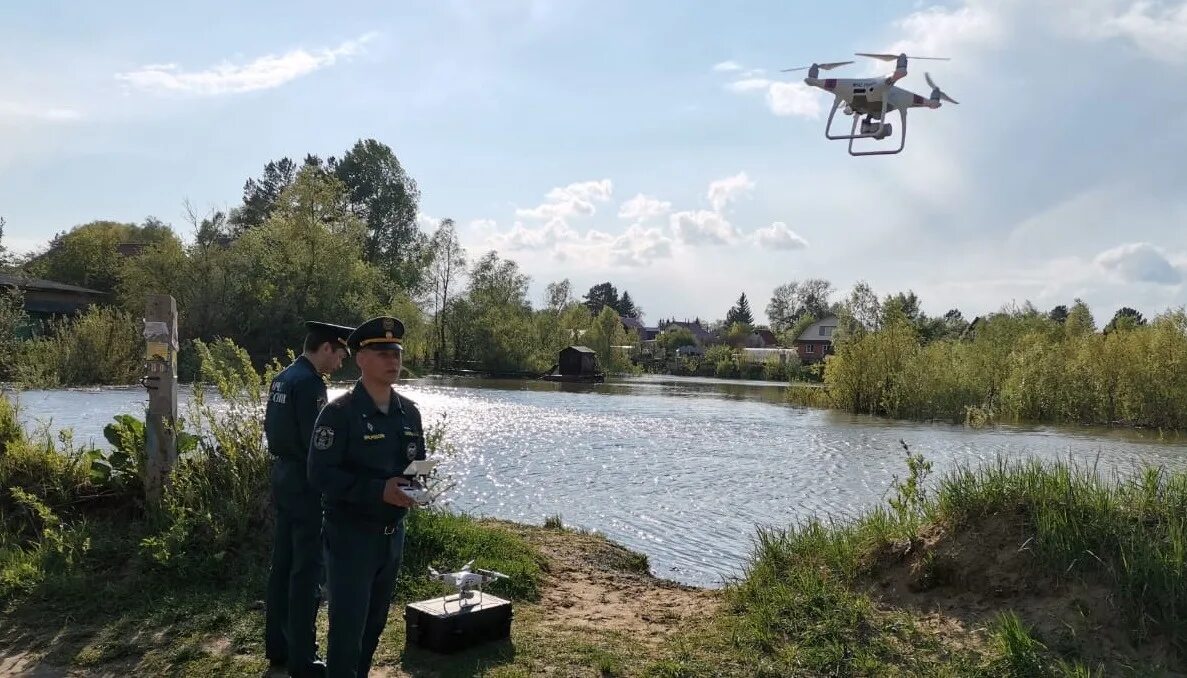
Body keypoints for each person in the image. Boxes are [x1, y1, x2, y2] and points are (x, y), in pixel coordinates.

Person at [307, 316, 426, 678]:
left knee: (373, 624)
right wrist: (378, 490)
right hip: (350, 536)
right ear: (360, 359)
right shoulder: (339, 413)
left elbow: (417, 466)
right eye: (382, 352)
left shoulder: (410, 412)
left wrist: (417, 487)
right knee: (347, 628)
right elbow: (319, 475)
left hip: (392, 537)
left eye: (397, 352)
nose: (393, 360)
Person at [264, 320, 354, 678]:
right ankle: (303, 658)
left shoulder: (282, 378)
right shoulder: (311, 384)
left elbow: (273, 430)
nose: (341, 363)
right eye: (341, 354)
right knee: (307, 570)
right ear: (327, 347)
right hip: (304, 482)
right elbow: (317, 444)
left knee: (282, 566)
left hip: (282, 476)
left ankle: (278, 646)